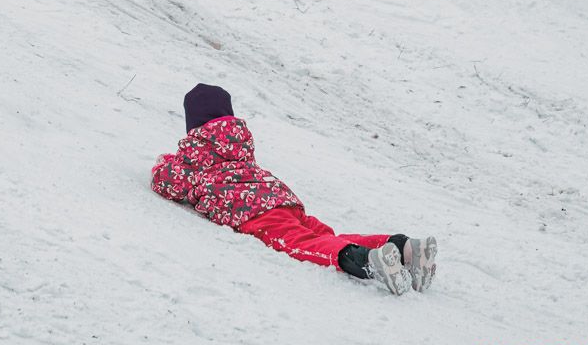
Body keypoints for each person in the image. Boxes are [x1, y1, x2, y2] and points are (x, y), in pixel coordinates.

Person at [151, 83, 437, 295]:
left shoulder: (194, 153)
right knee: (324, 235)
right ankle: (403, 246)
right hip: (281, 198)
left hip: (254, 213)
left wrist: (163, 161)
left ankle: (368, 261)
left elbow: (166, 181)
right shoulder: (239, 141)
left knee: (304, 244)